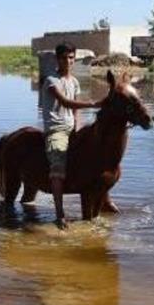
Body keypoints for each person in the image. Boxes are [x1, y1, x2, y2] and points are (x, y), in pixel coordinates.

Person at [39, 43, 102, 229]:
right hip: (56, 129)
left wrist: (78, 127)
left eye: (71, 57)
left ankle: (103, 200)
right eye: (64, 57)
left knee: (97, 156)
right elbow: (66, 102)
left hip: (71, 127)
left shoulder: (74, 82)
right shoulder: (51, 81)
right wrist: (93, 103)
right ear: (58, 59)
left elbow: (75, 111)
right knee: (58, 166)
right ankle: (59, 215)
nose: (68, 61)